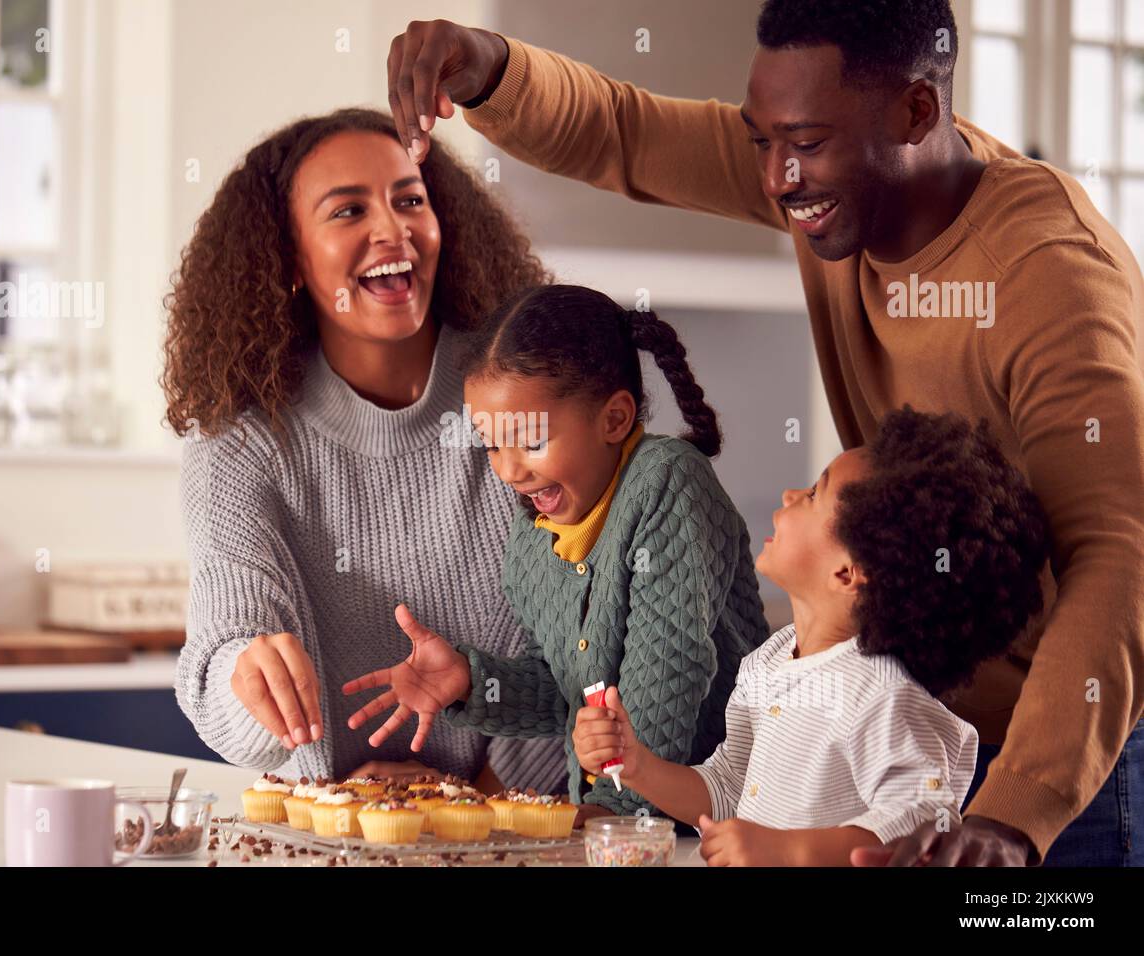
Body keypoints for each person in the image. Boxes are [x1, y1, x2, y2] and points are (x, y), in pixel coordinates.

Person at [383, 1, 1144, 865]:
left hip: (1058, 752)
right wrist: (490, 68)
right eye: (762, 143)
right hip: (904, 714)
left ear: (917, 113)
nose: (780, 179)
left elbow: (1118, 556)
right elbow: (625, 133)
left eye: (807, 145)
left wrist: (1016, 814)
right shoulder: (836, 170)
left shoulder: (1049, 280)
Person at [164, 107, 566, 794]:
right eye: (348, 211)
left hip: (522, 823)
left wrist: (468, 799)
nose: (393, 230)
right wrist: (251, 676)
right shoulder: (240, 444)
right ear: (288, 260)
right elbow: (223, 648)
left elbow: (585, 642)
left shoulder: (524, 399)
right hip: (331, 836)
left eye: (410, 200)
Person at [341, 285, 770, 825]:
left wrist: (606, 816)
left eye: (529, 440)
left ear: (614, 419)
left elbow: (671, 672)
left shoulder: (669, 483)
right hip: (620, 825)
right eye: (492, 444)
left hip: (726, 819)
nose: (509, 470)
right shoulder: (533, 538)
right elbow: (568, 694)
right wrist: (470, 682)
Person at [575, 407, 1049, 865]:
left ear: (846, 573)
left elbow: (923, 823)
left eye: (812, 495)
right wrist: (637, 764)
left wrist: (787, 852)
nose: (788, 494)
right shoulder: (769, 660)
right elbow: (724, 790)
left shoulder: (884, 695)